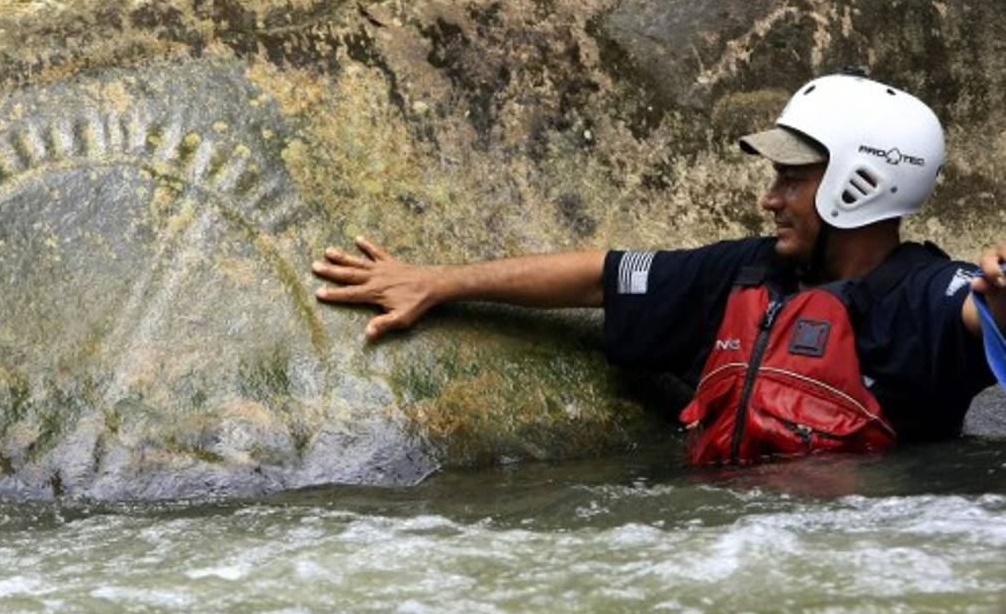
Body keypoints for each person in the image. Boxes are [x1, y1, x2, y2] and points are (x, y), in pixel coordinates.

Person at [311, 72, 1006, 463]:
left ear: (861, 182)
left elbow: (978, 313)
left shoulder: (923, 296)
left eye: (793, 178)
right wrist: (438, 282)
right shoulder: (743, 273)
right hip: (727, 551)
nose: (771, 197)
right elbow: (597, 276)